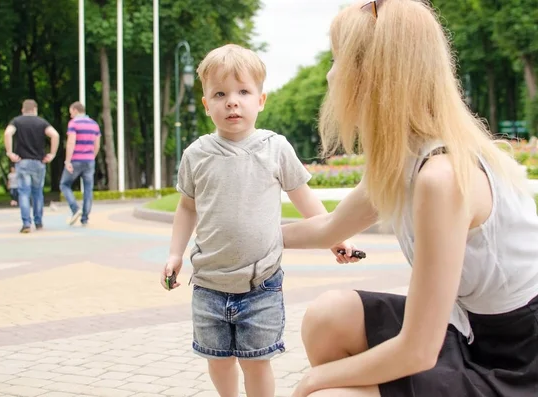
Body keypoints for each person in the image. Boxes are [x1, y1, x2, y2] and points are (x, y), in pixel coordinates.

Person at [281, 1, 538, 397]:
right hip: (467, 335)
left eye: (337, 60)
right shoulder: (405, 160)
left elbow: (418, 350)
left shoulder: (442, 177)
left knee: (326, 394)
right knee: (326, 317)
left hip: (516, 366)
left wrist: (315, 381)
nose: (330, 75)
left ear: (370, 76)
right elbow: (328, 229)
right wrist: (241, 236)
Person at [159, 44, 357, 397]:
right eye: (220, 94)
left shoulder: (275, 148)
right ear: (207, 105)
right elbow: (186, 207)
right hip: (208, 283)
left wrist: (334, 236)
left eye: (243, 92)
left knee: (256, 361)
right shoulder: (196, 155)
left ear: (261, 100)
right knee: (217, 359)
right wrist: (175, 254)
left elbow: (304, 198)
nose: (232, 102)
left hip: (260, 284)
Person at [4, 99, 60, 233]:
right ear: (35, 109)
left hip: (22, 162)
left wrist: (10, 152)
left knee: (23, 192)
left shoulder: (16, 121)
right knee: (37, 193)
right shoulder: (42, 122)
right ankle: (39, 222)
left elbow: (7, 133)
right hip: (39, 162)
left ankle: (26, 224)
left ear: (22, 110)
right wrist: (52, 154)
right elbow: (55, 135)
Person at [59, 101, 101, 226]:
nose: (70, 114)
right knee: (88, 189)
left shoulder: (74, 124)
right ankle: (85, 218)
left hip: (76, 159)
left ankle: (75, 208)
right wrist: (92, 156)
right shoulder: (94, 124)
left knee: (64, 184)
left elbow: (71, 142)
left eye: (71, 112)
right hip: (89, 160)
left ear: (76, 110)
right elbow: (97, 144)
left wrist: (67, 161)